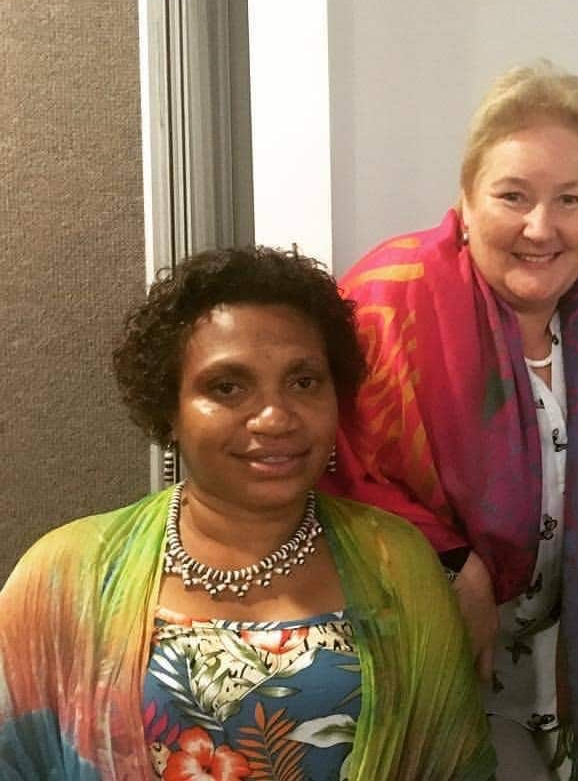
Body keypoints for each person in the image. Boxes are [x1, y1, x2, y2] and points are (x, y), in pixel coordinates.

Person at [324, 61, 578, 780]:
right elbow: (335, 464)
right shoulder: (385, 302)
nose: (541, 227)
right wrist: (450, 562)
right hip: (432, 643)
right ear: (466, 201)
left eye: (570, 199)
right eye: (512, 195)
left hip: (576, 648)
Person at [0, 248, 494, 780]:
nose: (275, 418)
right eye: (227, 387)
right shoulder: (70, 573)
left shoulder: (396, 561)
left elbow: (451, 762)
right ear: (170, 409)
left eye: (303, 382)